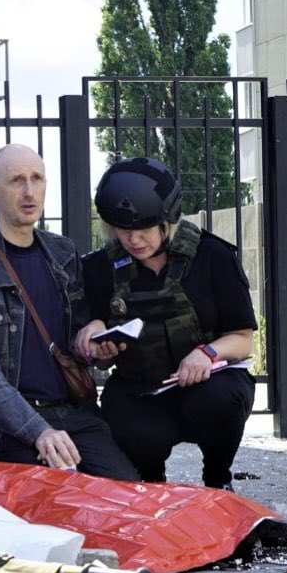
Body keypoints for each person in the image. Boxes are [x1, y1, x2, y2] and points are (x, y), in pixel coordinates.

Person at [0, 144, 139, 480]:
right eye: (16, 181)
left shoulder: (62, 253)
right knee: (57, 504)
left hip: (71, 414)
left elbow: (75, 333)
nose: (29, 192)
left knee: (128, 497)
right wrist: (38, 431)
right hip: (0, 427)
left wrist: (93, 341)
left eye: (37, 179)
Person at [76, 157, 256, 490]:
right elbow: (99, 356)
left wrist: (208, 353)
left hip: (206, 387)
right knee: (126, 425)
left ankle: (218, 481)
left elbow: (244, 339)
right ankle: (152, 485)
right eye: (123, 229)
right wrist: (100, 345)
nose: (133, 239)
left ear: (167, 220)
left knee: (221, 399)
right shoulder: (101, 269)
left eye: (143, 228)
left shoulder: (212, 257)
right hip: (142, 389)